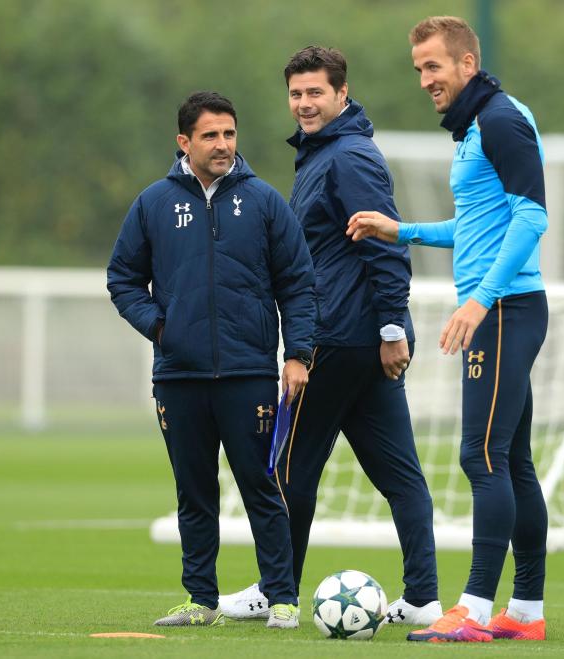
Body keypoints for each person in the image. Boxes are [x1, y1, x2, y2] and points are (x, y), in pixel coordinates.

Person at [220, 46, 442, 630]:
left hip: (340, 340)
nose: (304, 104)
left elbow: (387, 243)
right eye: (296, 94)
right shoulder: (323, 155)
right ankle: (422, 597)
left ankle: (278, 591)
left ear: (342, 94)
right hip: (359, 342)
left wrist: (392, 329)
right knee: (400, 475)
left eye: (316, 92)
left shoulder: (348, 158)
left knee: (289, 469)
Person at [347, 15, 550, 643]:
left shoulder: (499, 120)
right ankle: (526, 613)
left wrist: (480, 301)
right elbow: (478, 228)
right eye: (419, 69)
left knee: (481, 455)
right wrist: (401, 230)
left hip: (506, 310)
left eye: (434, 66)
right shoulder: (474, 128)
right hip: (507, 307)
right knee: (513, 460)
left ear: (467, 63)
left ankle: (475, 609)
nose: (425, 80)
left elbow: (533, 216)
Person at [107, 91, 316, 629]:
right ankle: (200, 599)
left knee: (260, 486)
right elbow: (122, 278)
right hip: (178, 376)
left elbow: (298, 285)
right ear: (185, 142)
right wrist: (160, 326)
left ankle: (282, 596)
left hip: (248, 374)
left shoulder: (265, 201)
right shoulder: (153, 202)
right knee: (193, 490)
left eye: (229, 133)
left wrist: (298, 355)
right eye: (210, 135)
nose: (223, 144)